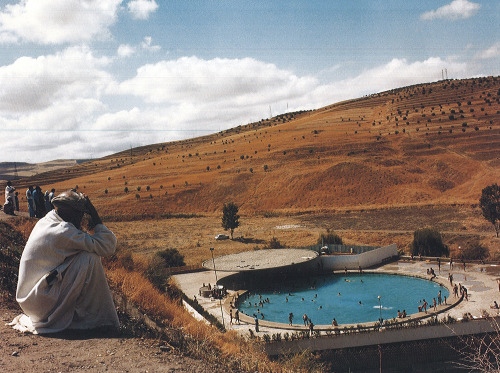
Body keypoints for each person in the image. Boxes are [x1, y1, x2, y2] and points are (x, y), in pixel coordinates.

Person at [11, 190, 119, 334]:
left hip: (32, 301)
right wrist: (94, 213)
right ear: (74, 213)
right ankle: (96, 320)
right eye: (80, 213)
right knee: (89, 258)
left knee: (82, 256)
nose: (81, 218)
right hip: (40, 303)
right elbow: (107, 246)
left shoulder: (48, 220)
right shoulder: (64, 231)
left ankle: (83, 315)